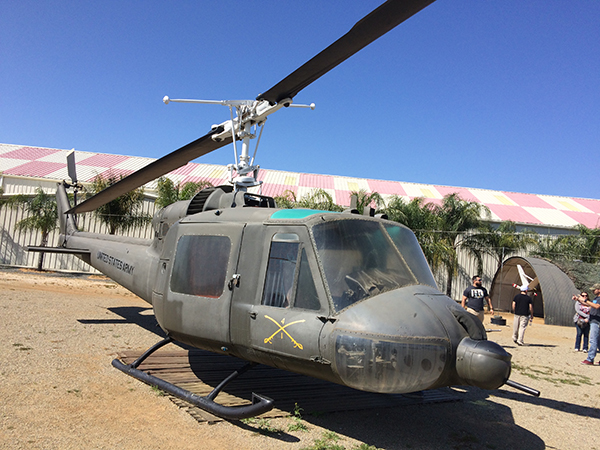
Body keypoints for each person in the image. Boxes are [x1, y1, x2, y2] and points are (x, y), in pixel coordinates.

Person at [581, 283, 600, 365]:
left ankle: (590, 359)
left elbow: (596, 306)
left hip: (597, 321)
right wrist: (579, 300)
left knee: (593, 340)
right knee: (598, 342)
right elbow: (590, 304)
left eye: (594, 289)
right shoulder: (596, 298)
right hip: (593, 321)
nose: (592, 291)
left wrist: (585, 300)